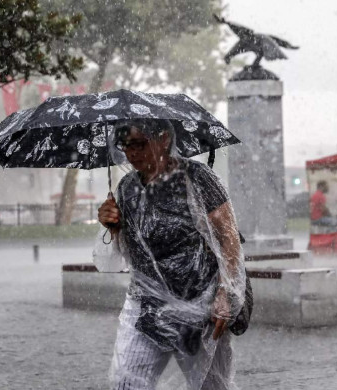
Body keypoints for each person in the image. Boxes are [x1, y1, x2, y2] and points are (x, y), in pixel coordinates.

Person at [97, 119, 245, 390]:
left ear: (164, 139)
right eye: (125, 146)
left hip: (200, 307)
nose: (131, 154)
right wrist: (112, 225)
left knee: (211, 386)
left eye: (139, 144)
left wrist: (226, 295)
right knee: (125, 383)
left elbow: (229, 238)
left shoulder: (197, 178)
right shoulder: (127, 189)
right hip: (147, 306)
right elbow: (128, 252)